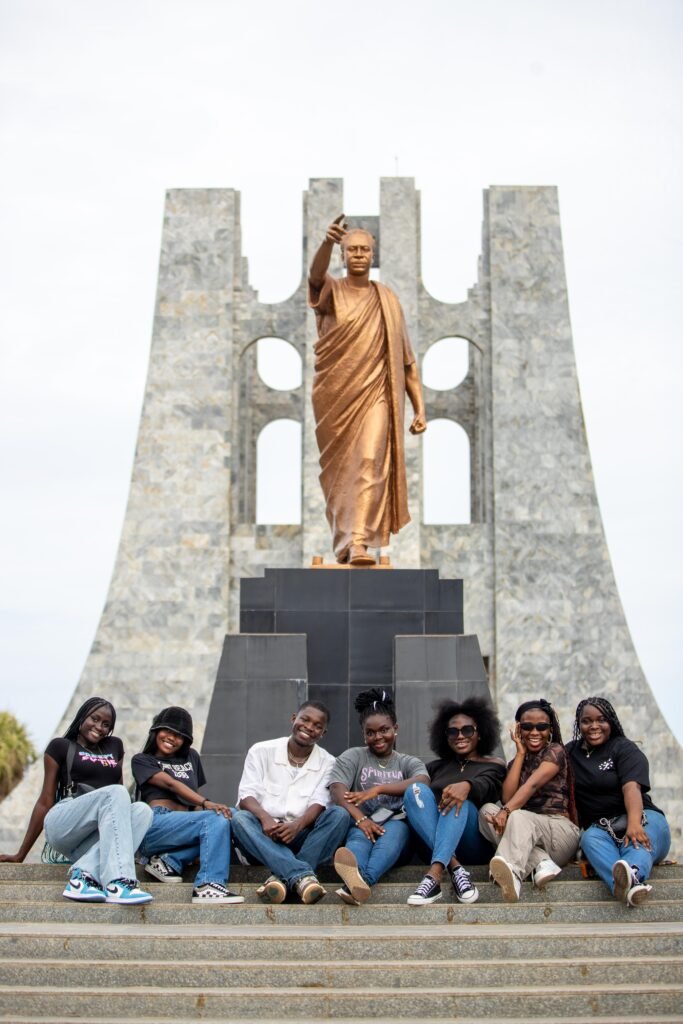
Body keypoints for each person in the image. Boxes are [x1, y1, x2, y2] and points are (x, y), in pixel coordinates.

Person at [308, 215, 427, 566]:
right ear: (343, 255)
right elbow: (315, 278)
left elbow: (406, 361)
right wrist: (326, 243)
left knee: (371, 459)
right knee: (340, 471)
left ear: (373, 256)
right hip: (336, 397)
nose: (359, 255)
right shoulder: (332, 291)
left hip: (376, 393)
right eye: (351, 250)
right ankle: (344, 541)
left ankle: (359, 542)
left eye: (365, 250)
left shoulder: (387, 300)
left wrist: (420, 408)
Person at [0, 697, 153, 904]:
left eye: (106, 724)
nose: (99, 727)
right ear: (82, 717)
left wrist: (125, 846)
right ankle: (119, 881)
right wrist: (21, 854)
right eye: (95, 719)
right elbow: (45, 801)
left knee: (143, 810)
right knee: (117, 793)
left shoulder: (114, 746)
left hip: (94, 831)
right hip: (64, 820)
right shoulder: (60, 746)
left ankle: (83, 877)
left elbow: (120, 806)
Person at [230, 701, 349, 903]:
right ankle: (302, 876)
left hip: (303, 836)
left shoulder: (328, 762)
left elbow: (320, 802)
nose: (309, 727)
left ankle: (281, 879)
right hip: (263, 835)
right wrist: (266, 820)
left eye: (317, 726)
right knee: (240, 818)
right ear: (294, 719)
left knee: (340, 815)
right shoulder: (261, 750)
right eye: (305, 719)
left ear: (323, 733)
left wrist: (297, 825)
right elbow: (246, 795)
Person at [132, 706, 244, 905]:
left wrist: (206, 806)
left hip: (187, 823)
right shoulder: (142, 760)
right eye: (167, 731)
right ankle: (208, 884)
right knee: (216, 818)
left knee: (229, 815)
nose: (172, 738)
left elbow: (194, 795)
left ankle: (169, 860)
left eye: (179, 735)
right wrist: (206, 803)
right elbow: (170, 783)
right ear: (156, 730)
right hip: (155, 824)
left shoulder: (191, 756)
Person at [566, 697, 671, 907]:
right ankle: (629, 885)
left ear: (611, 722)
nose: (594, 726)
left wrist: (634, 824)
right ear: (579, 724)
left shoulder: (624, 748)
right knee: (589, 839)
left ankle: (631, 874)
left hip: (643, 817)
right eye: (587, 721)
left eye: (601, 720)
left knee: (637, 843)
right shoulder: (569, 753)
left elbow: (631, 787)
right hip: (603, 828)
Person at [327, 688, 429, 905]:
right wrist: (360, 818)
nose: (378, 737)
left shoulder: (407, 762)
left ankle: (363, 880)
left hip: (397, 827)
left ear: (396, 729)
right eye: (370, 732)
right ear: (363, 733)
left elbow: (422, 782)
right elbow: (337, 789)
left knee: (393, 833)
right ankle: (356, 884)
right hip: (361, 824)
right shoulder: (353, 756)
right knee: (357, 840)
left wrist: (379, 789)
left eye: (384, 730)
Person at [403, 697, 505, 905]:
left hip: (472, 842)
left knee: (460, 802)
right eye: (452, 731)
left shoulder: (494, 765)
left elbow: (488, 786)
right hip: (432, 842)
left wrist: (467, 786)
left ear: (480, 733)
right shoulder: (434, 768)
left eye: (467, 730)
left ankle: (434, 875)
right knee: (415, 789)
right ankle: (455, 869)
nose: (460, 736)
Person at [479, 699, 580, 903]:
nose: (535, 732)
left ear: (550, 729)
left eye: (541, 727)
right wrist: (520, 754)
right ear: (518, 728)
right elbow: (507, 798)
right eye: (527, 726)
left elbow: (531, 785)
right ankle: (540, 862)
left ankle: (514, 872)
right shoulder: (516, 762)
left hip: (559, 833)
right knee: (486, 811)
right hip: (526, 832)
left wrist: (506, 812)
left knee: (516, 815)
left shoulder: (556, 751)